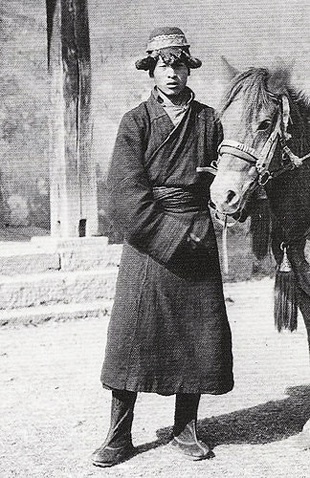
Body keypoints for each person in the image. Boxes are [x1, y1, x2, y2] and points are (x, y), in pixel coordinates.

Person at [92, 26, 233, 467]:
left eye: (178, 64)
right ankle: (119, 435)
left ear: (189, 68)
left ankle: (185, 429)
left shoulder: (210, 119)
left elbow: (225, 174)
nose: (171, 73)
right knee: (131, 338)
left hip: (198, 233)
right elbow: (123, 194)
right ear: (150, 69)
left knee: (198, 334)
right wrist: (170, 236)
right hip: (149, 243)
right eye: (162, 64)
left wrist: (222, 206)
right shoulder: (135, 121)